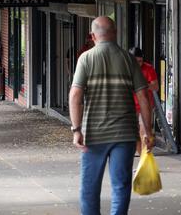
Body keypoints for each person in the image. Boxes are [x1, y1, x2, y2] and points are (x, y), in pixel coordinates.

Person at [70, 16, 155, 215]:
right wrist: (148, 131)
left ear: (93, 36)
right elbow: (143, 95)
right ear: (115, 33)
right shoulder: (128, 59)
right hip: (124, 134)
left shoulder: (86, 58)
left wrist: (76, 129)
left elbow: (75, 95)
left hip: (94, 135)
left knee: (89, 188)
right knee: (121, 185)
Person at [129, 46, 158, 156]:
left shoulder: (148, 68)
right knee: (133, 133)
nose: (139, 64)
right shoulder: (126, 68)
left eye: (140, 61)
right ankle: (142, 157)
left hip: (145, 105)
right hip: (130, 105)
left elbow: (155, 87)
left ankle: (144, 158)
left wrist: (141, 84)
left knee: (144, 131)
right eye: (136, 62)